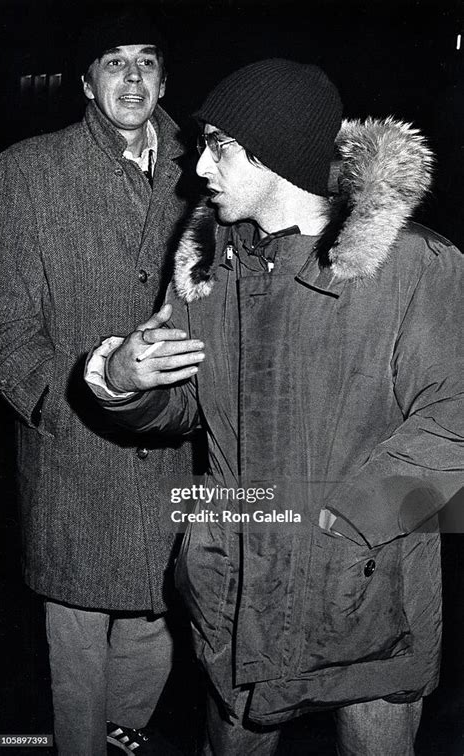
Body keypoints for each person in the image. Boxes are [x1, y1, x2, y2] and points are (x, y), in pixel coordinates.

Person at [85, 60, 464, 754]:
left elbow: (456, 424)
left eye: (218, 146)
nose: (198, 167)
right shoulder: (207, 267)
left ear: (278, 153)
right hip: (237, 590)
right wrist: (125, 379)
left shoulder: (414, 267)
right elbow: (183, 409)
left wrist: (349, 527)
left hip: (369, 602)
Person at [0, 7, 198, 756]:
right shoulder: (27, 171)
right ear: (86, 82)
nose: (134, 76)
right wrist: (71, 397)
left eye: (147, 60)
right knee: (77, 640)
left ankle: (126, 739)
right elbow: (3, 325)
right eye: (115, 62)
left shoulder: (208, 168)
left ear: (166, 78)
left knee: (160, 615)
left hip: (178, 441)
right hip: (76, 452)